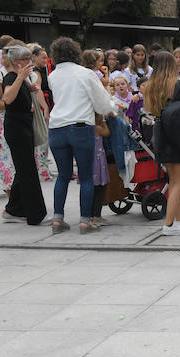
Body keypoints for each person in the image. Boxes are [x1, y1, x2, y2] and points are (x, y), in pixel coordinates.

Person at [45, 37, 114, 234]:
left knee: (63, 175)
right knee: (85, 177)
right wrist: (111, 107)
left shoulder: (53, 75)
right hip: (81, 127)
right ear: (76, 53)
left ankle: (58, 219)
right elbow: (101, 104)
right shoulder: (85, 74)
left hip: (57, 127)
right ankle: (85, 220)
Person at [142, 51, 180, 236]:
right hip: (178, 133)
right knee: (179, 181)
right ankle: (169, 224)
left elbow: (149, 109)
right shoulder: (178, 84)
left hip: (160, 132)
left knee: (173, 179)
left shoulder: (150, 86)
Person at [0, 44, 48, 225]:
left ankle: (13, 209)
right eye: (25, 59)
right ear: (15, 62)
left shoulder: (21, 78)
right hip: (16, 128)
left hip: (24, 126)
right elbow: (8, 98)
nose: (29, 62)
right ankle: (34, 214)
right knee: (28, 171)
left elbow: (28, 92)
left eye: (29, 59)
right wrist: (21, 77)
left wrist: (32, 89)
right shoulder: (11, 77)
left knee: (24, 169)